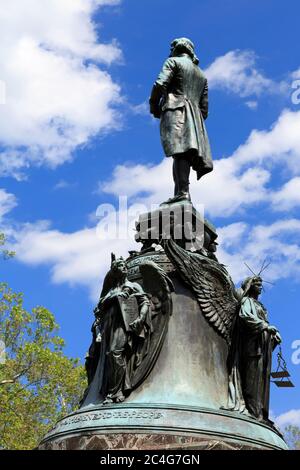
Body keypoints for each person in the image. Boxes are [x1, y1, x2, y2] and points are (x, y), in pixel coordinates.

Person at [149, 37, 213, 204]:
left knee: (179, 153)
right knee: (182, 154)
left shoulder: (173, 62)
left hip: (176, 109)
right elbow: (204, 109)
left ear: (176, 49)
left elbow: (159, 84)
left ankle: (182, 192)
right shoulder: (202, 75)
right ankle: (183, 192)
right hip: (195, 117)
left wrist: (154, 106)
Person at [86, 256, 151, 405]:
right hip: (109, 325)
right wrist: (113, 296)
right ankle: (112, 390)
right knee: (109, 355)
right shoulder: (111, 290)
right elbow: (99, 307)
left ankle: (117, 391)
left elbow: (144, 301)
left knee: (116, 353)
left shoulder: (133, 286)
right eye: (120, 266)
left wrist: (140, 319)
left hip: (124, 325)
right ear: (114, 271)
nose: (124, 268)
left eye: (124, 266)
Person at [236, 276, 281, 421]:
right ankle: (252, 412)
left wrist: (273, 335)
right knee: (252, 382)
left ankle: (260, 414)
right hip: (252, 348)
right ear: (250, 286)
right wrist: (265, 326)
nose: (261, 287)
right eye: (257, 284)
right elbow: (245, 316)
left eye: (261, 284)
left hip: (263, 347)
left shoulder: (260, 306)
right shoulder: (247, 301)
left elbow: (264, 323)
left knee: (261, 382)